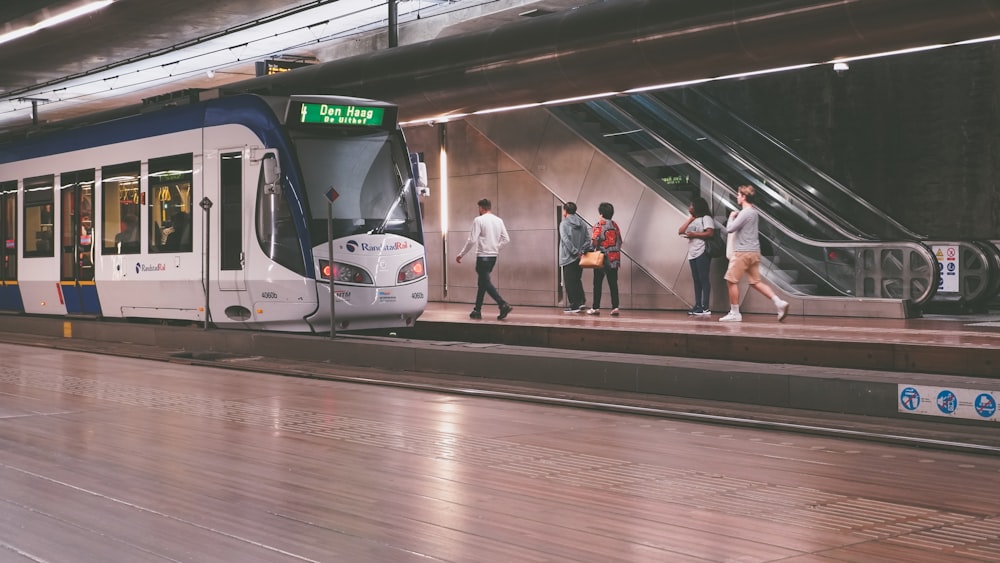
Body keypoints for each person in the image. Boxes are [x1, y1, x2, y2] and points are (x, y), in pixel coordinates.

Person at [720, 185, 790, 322]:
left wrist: (731, 217)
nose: (737, 197)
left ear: (744, 197)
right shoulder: (754, 212)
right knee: (755, 282)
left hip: (742, 253)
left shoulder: (745, 213)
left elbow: (730, 229)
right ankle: (779, 302)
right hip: (754, 252)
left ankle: (735, 313)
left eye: (738, 194)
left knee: (730, 281)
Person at [456, 198, 513, 320]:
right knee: (482, 282)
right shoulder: (498, 220)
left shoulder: (479, 220)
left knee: (485, 282)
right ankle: (477, 310)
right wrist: (496, 247)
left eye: (479, 208)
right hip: (493, 257)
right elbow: (506, 239)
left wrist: (461, 254)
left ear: (481, 208)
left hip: (482, 257)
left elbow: (472, 240)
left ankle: (502, 304)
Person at [678, 196, 714, 316]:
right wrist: (690, 219)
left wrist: (694, 234)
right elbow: (680, 230)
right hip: (692, 253)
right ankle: (697, 305)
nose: (689, 207)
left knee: (704, 278)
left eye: (692, 205)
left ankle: (705, 307)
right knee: (696, 280)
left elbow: (710, 232)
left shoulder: (706, 218)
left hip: (702, 251)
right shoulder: (693, 219)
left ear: (698, 206)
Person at [586, 202, 622, 317]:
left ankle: (595, 307)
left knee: (597, 284)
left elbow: (594, 240)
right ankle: (615, 307)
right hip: (614, 258)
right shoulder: (615, 225)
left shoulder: (599, 225)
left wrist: (593, 248)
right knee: (613, 284)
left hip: (601, 258)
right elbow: (620, 240)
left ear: (601, 213)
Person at [558, 201, 589, 313]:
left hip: (568, 257)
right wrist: (581, 251)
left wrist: (575, 251)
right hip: (580, 257)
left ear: (565, 211)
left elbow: (566, 240)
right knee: (576, 279)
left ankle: (574, 305)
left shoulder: (564, 224)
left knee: (569, 281)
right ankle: (581, 302)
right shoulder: (582, 223)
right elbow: (588, 240)